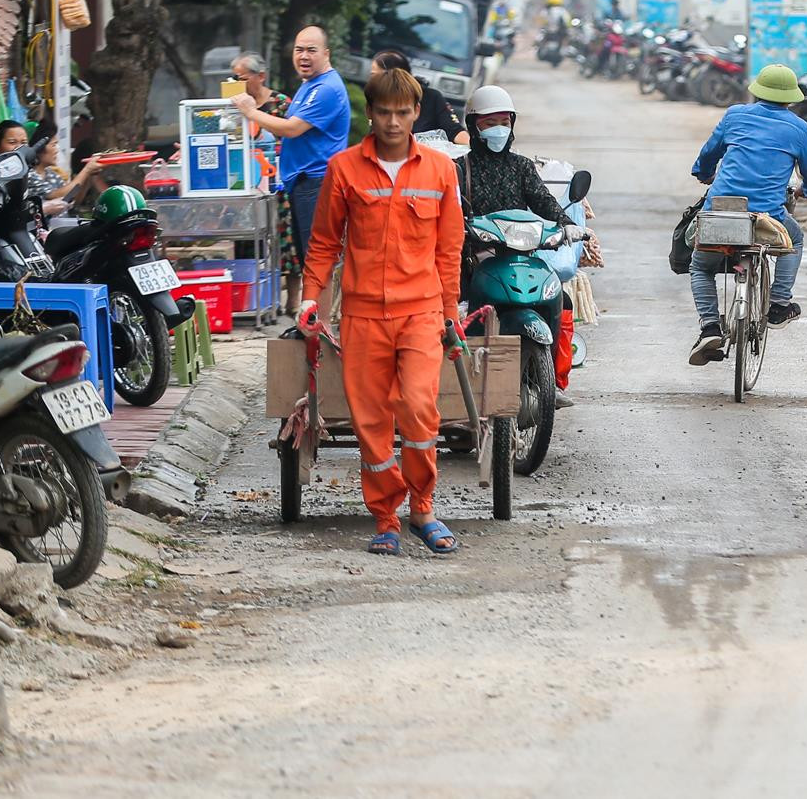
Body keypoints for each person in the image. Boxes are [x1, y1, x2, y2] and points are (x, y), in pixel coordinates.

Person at [299, 67, 465, 556]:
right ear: (370, 113)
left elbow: (449, 248)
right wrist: (311, 299)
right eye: (385, 112)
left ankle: (423, 508)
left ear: (417, 113)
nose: (394, 122)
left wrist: (450, 310)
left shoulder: (440, 170)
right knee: (370, 422)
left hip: (421, 312)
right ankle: (386, 518)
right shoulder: (344, 169)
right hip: (363, 314)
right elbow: (325, 242)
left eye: (403, 112)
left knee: (417, 408)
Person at [687, 65, 807, 366]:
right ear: (791, 99)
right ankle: (778, 304)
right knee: (795, 240)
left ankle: (710, 327)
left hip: (721, 213)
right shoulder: (799, 128)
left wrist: (704, 173)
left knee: (701, 266)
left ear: (756, 91)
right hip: (768, 217)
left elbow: (710, 153)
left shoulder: (735, 115)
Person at [459, 85, 585, 400]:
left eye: (503, 121)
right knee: (455, 304)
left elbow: (543, 202)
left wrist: (567, 224)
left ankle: (554, 381)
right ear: (474, 126)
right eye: (489, 123)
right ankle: (458, 375)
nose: (497, 129)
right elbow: (451, 208)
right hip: (475, 257)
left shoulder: (522, 166)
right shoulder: (461, 168)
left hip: (518, 254)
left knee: (559, 298)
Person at [231, 25, 351, 292]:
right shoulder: (309, 85)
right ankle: (311, 321)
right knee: (309, 257)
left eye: (311, 50)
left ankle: (320, 326)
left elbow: (292, 128)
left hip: (317, 182)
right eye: (299, 50)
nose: (304, 56)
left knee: (318, 258)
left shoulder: (326, 88)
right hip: (302, 183)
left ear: (326, 53)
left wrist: (250, 112)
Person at [232, 51, 301, 313]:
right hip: (246, 182)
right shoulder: (235, 106)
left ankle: (293, 300)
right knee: (246, 238)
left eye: (241, 78)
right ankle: (249, 297)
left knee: (287, 237)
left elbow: (293, 133)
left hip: (278, 179)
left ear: (260, 77)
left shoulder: (281, 103)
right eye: (233, 78)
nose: (237, 83)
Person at [370, 49, 469, 144]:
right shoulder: (375, 100)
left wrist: (474, 149)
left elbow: (455, 131)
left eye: (375, 76)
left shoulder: (432, 98)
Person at [25, 135, 100, 221]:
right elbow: (56, 195)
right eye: (53, 145)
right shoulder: (30, 175)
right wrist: (87, 170)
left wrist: (88, 176)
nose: (57, 150)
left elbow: (70, 198)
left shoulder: (52, 174)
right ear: (40, 149)